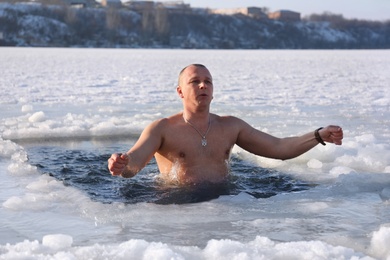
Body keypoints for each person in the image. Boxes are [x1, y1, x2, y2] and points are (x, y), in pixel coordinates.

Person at [108, 64, 343, 185]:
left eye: (208, 81)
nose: (203, 86)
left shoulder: (230, 127)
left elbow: (279, 148)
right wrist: (121, 164)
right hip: (177, 204)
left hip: (225, 199)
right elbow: (134, 163)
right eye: (195, 81)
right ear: (180, 91)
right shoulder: (162, 128)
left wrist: (318, 135)